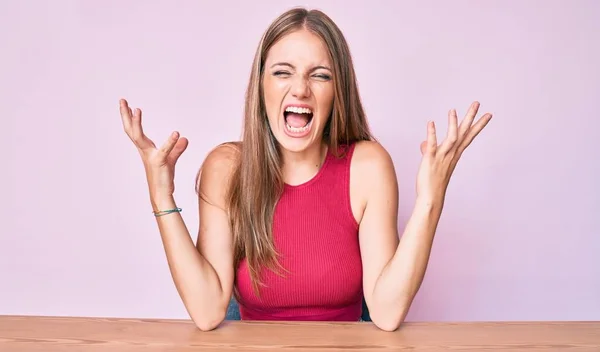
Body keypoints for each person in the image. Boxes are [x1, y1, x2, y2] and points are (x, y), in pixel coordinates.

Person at [118, 7, 492, 332]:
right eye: (283, 72)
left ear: (337, 91)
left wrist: (431, 198)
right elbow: (206, 311)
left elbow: (388, 312)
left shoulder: (367, 165)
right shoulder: (226, 169)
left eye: (320, 75)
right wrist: (161, 196)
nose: (300, 89)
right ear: (261, 85)